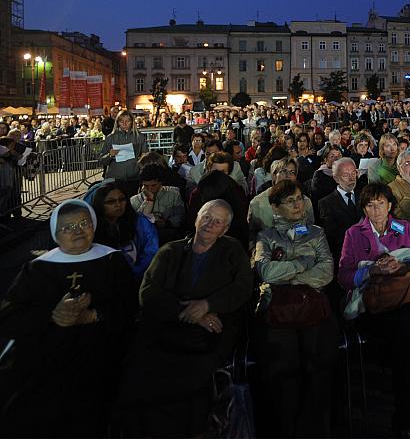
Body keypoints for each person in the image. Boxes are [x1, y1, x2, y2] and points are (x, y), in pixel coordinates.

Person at [116, 200, 253, 437]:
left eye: (218, 221)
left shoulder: (232, 250)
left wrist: (209, 304)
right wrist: (192, 313)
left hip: (211, 331)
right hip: (167, 327)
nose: (210, 224)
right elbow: (148, 292)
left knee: (193, 379)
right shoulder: (171, 250)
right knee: (140, 372)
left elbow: (242, 287)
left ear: (225, 229)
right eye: (207, 217)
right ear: (197, 218)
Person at [0, 200, 135, 437]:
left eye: (84, 223)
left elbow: (132, 306)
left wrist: (95, 314)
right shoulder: (38, 269)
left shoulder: (112, 260)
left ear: (93, 225)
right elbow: (9, 318)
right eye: (67, 227)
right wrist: (52, 315)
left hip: (102, 355)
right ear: (55, 233)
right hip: (47, 359)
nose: (78, 231)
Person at [338, 183, 410, 437]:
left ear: (390, 205)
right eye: (370, 205)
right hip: (373, 303)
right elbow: (344, 277)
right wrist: (373, 270)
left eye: (381, 204)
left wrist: (399, 263)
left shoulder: (405, 228)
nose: (376, 210)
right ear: (364, 208)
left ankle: (405, 416)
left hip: (404, 296)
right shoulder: (353, 234)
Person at [253, 180, 338, 437]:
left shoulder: (316, 233)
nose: (298, 204)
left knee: (318, 366)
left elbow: (326, 272)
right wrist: (303, 262)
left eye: (300, 198)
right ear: (275, 207)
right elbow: (265, 271)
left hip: (311, 305)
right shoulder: (266, 236)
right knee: (283, 370)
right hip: (278, 310)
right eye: (291, 201)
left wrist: (288, 277)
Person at [92, 181, 159, 281]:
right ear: (100, 204)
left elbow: (151, 252)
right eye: (111, 202)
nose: (118, 204)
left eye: (122, 199)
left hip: (137, 277)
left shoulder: (140, 222)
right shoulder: (92, 227)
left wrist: (134, 273)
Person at [248, 158, 315, 239]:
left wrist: (291, 234)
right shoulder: (257, 202)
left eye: (292, 172)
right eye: (283, 171)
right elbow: (251, 232)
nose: (288, 175)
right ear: (273, 175)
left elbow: (310, 229)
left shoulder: (305, 201)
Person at [317, 157, 363, 275]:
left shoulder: (364, 196)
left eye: (354, 173)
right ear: (336, 178)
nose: (352, 178)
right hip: (344, 255)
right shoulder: (326, 203)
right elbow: (332, 235)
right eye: (345, 175)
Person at [130, 164, 185, 244]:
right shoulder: (134, 200)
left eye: (153, 185)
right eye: (146, 186)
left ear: (161, 182)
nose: (150, 189)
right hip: (145, 239)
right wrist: (149, 199)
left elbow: (181, 217)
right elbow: (137, 223)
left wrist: (167, 222)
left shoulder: (173, 193)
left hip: (169, 237)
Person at [98, 110, 148, 197]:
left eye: (127, 121)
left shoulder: (139, 137)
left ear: (132, 122)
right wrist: (110, 155)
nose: (124, 124)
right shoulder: (111, 138)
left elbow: (146, 155)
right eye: (122, 121)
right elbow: (102, 159)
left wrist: (142, 158)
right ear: (117, 123)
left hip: (134, 177)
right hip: (115, 178)